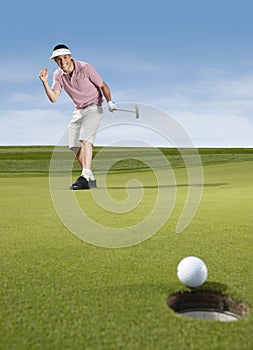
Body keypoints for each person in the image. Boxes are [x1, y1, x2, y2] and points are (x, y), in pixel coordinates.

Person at [39, 44, 117, 190]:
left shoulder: (86, 68)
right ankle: (90, 178)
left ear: (70, 56)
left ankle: (85, 176)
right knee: (74, 146)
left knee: (85, 139)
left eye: (65, 57)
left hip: (95, 106)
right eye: (58, 59)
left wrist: (110, 101)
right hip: (79, 110)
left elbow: (103, 85)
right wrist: (44, 82)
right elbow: (54, 98)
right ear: (55, 61)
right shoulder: (58, 75)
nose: (62, 62)